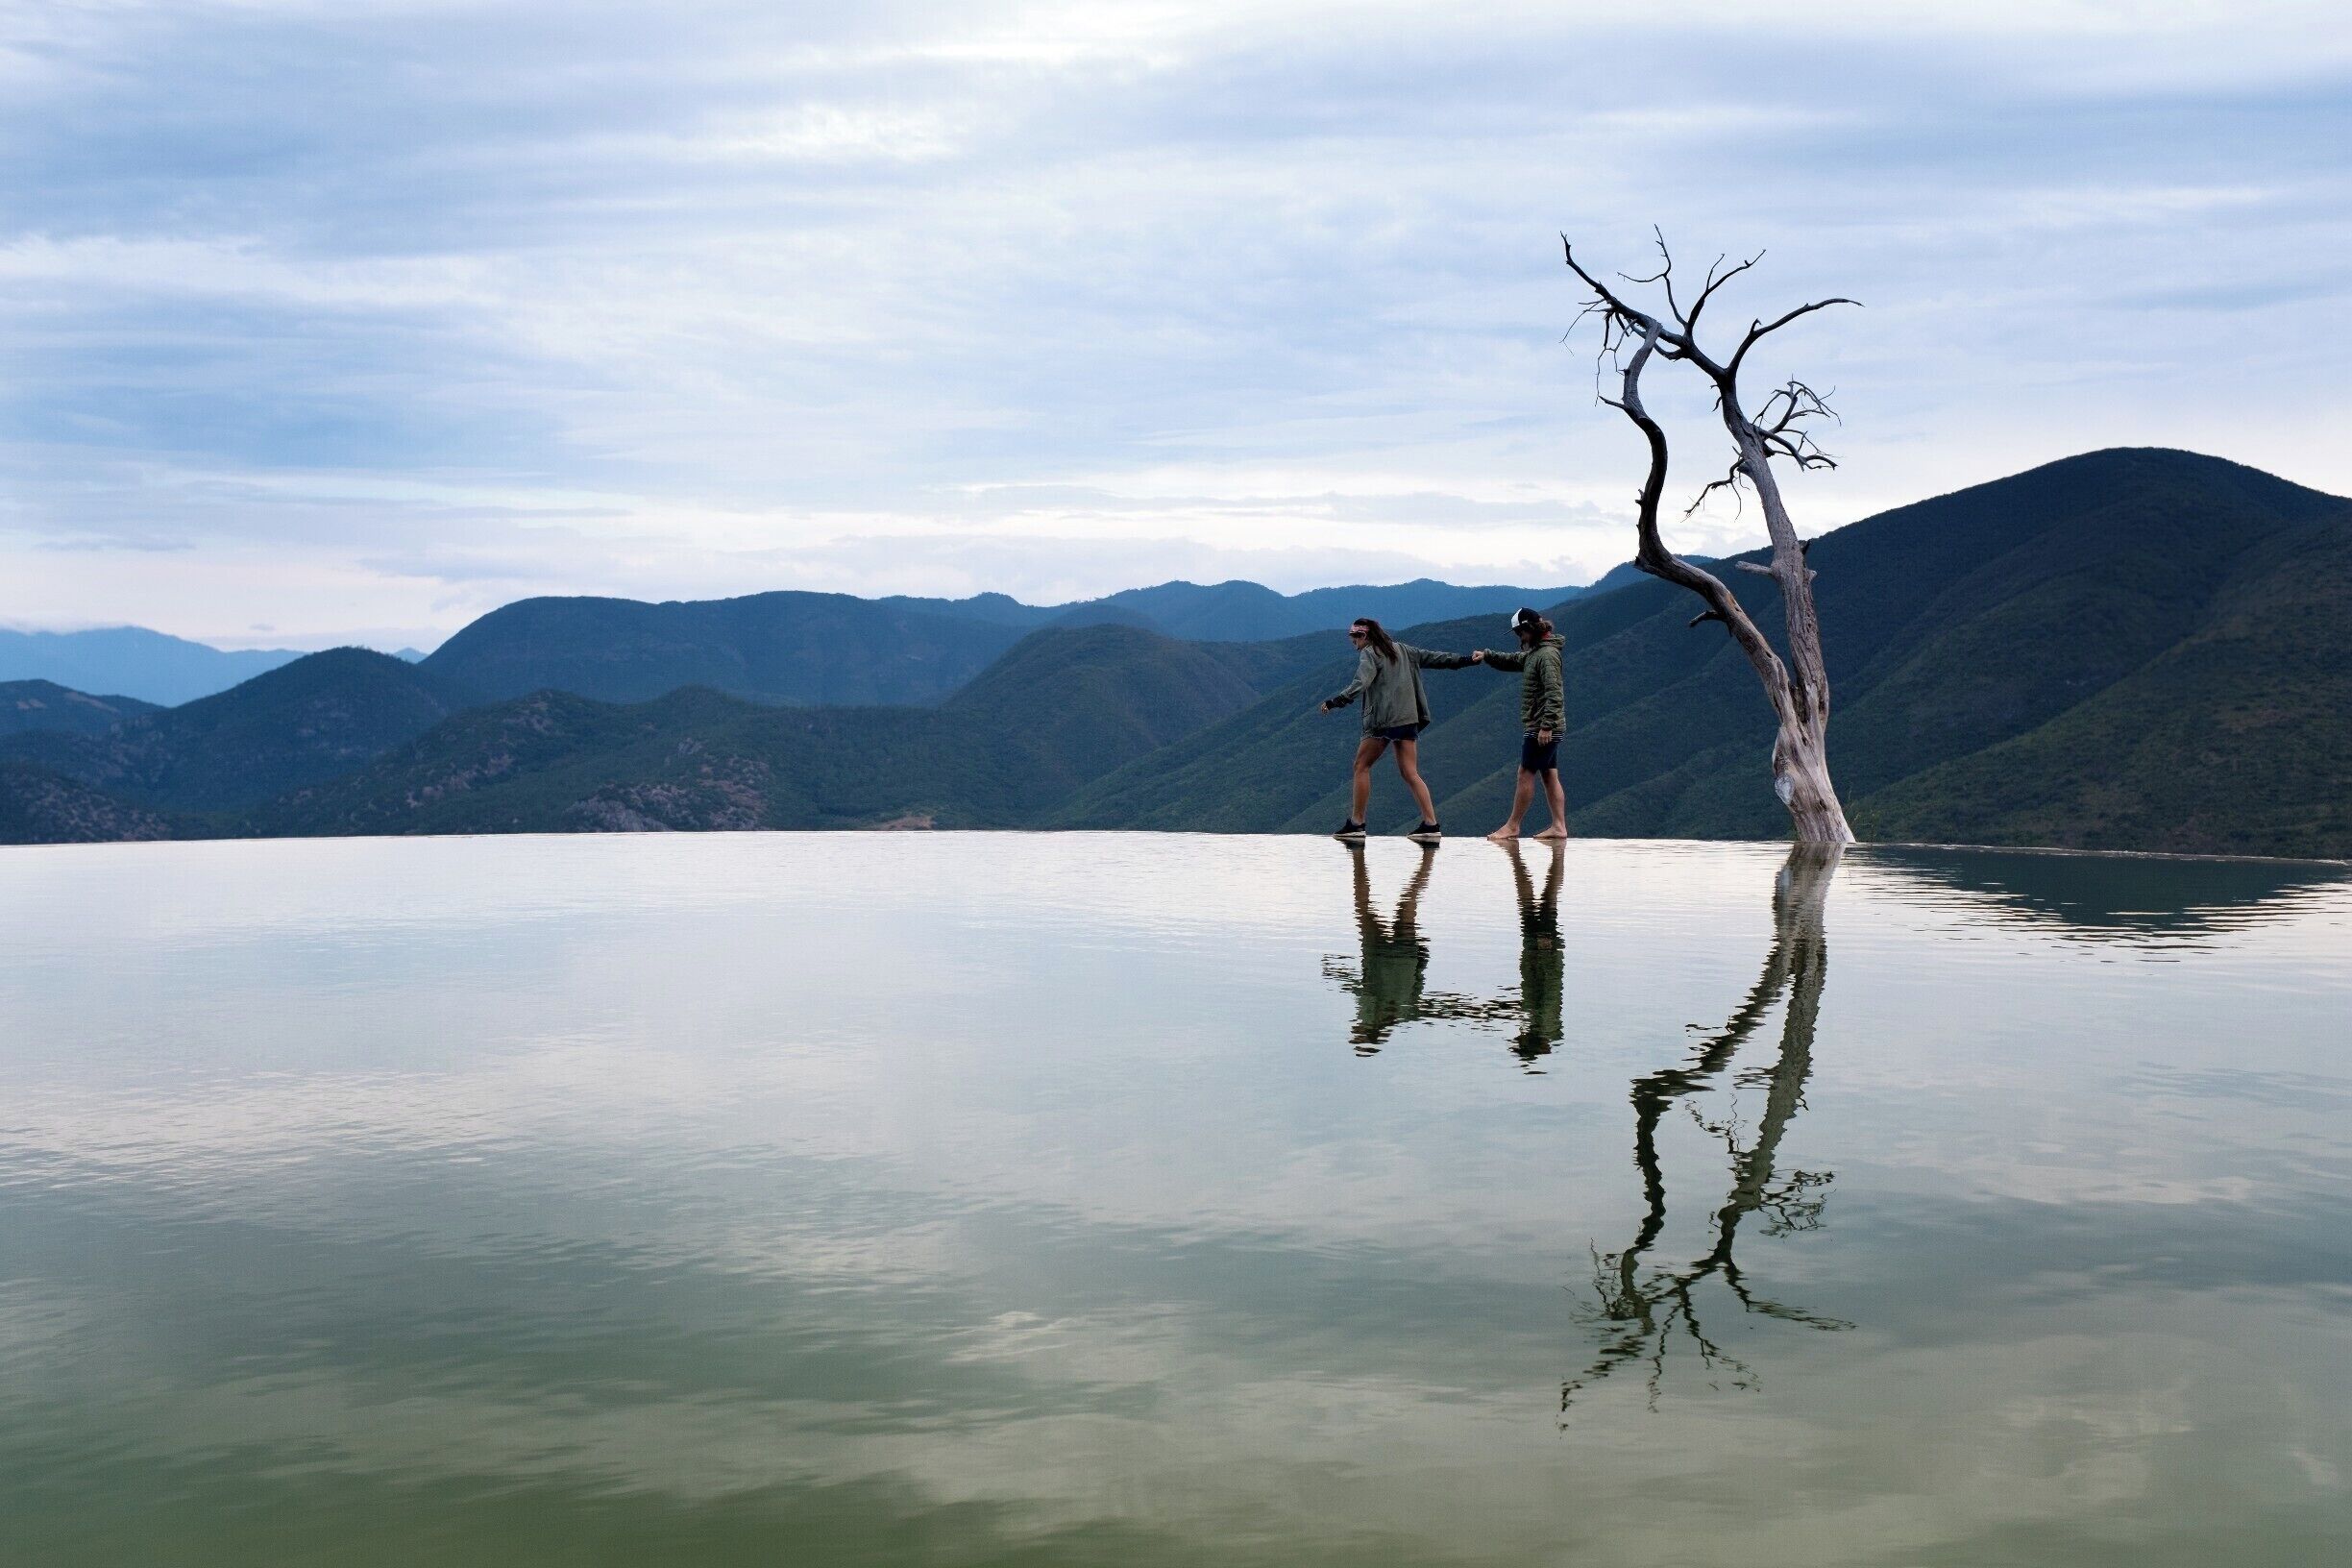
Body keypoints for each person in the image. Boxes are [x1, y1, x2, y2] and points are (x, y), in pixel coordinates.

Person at [1317, 617, 1475, 842]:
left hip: (1382, 721)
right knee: (1410, 772)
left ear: (1367, 636)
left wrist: (1335, 701)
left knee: (1361, 766)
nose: (1354, 641)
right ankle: (1431, 825)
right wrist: (1467, 660)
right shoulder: (1403, 650)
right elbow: (1436, 658)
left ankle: (1357, 823)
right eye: (1352, 637)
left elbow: (1360, 683)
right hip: (1408, 718)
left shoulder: (1369, 654)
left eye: (1357, 637)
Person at [1473, 606, 1568, 843]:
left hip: (1542, 726)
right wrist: (1487, 655)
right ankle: (1559, 826)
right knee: (1549, 774)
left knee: (1525, 773)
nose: (1519, 638)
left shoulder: (1546, 656)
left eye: (1520, 633)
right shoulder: (1538, 652)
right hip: (1546, 724)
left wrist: (1546, 726)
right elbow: (1515, 660)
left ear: (1529, 629)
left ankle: (1513, 826)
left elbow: (1554, 692)